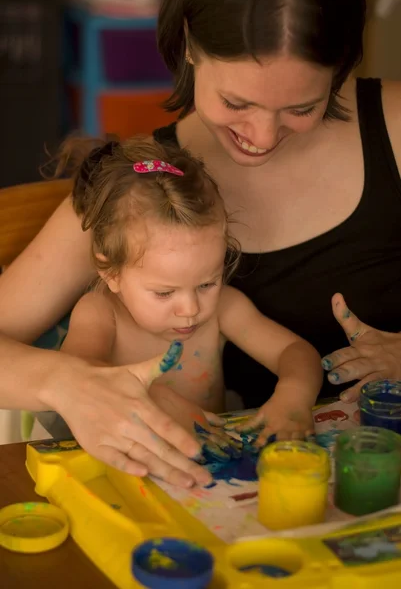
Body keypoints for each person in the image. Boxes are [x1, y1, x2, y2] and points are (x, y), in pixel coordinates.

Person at [0, 0, 400, 485]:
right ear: (189, 43)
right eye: (236, 102)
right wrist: (70, 383)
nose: (263, 135)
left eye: (302, 106)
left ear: (339, 67)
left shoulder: (395, 130)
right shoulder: (135, 194)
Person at [46, 135, 321, 458]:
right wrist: (155, 401)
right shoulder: (100, 313)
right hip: (120, 458)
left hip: (208, 461)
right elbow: (80, 374)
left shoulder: (225, 307)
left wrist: (294, 393)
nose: (191, 309)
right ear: (112, 274)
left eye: (207, 284)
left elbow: (294, 350)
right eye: (164, 293)